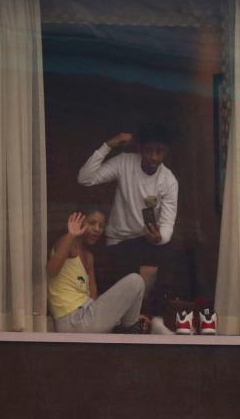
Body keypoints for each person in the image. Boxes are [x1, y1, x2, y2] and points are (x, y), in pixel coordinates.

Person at [77, 123, 179, 331]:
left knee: (173, 252)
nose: (154, 157)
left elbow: (168, 223)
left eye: (159, 152)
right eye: (149, 150)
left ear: (166, 152)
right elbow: (85, 179)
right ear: (141, 149)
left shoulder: (169, 180)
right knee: (128, 279)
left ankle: (158, 318)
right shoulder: (124, 163)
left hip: (148, 239)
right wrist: (108, 145)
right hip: (120, 240)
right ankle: (128, 325)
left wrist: (160, 238)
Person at [46, 206, 147, 334]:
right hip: (71, 320)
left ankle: (129, 326)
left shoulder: (89, 257)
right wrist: (71, 235)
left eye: (101, 226)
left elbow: (92, 298)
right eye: (92, 223)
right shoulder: (68, 242)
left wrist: (124, 312)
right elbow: (51, 271)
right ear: (79, 221)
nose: (97, 229)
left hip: (86, 316)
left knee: (134, 287)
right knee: (135, 281)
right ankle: (130, 327)